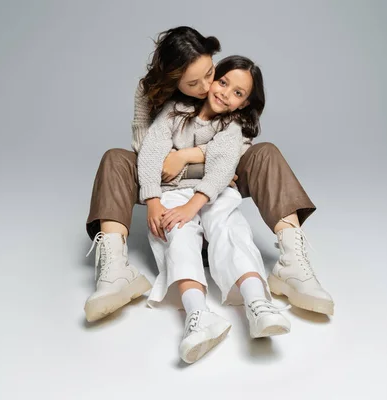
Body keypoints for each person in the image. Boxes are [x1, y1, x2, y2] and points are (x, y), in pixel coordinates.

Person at [85, 26, 334, 323]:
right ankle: (115, 272)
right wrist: (164, 178)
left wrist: (186, 157)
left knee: (266, 152)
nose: (208, 86)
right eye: (195, 82)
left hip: (219, 174)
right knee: (115, 158)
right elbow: (146, 148)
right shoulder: (161, 101)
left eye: (210, 72)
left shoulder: (227, 100)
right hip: (162, 177)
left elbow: (236, 149)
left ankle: (293, 263)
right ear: (174, 81)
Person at [140, 55, 292, 364]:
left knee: (229, 227)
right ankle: (198, 316)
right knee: (177, 231)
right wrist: (153, 200)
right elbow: (151, 152)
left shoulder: (231, 127)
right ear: (213, 79)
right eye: (223, 82)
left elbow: (223, 168)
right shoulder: (175, 111)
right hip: (171, 191)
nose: (225, 93)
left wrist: (193, 204)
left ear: (242, 104)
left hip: (214, 191)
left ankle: (257, 303)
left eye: (237, 93)